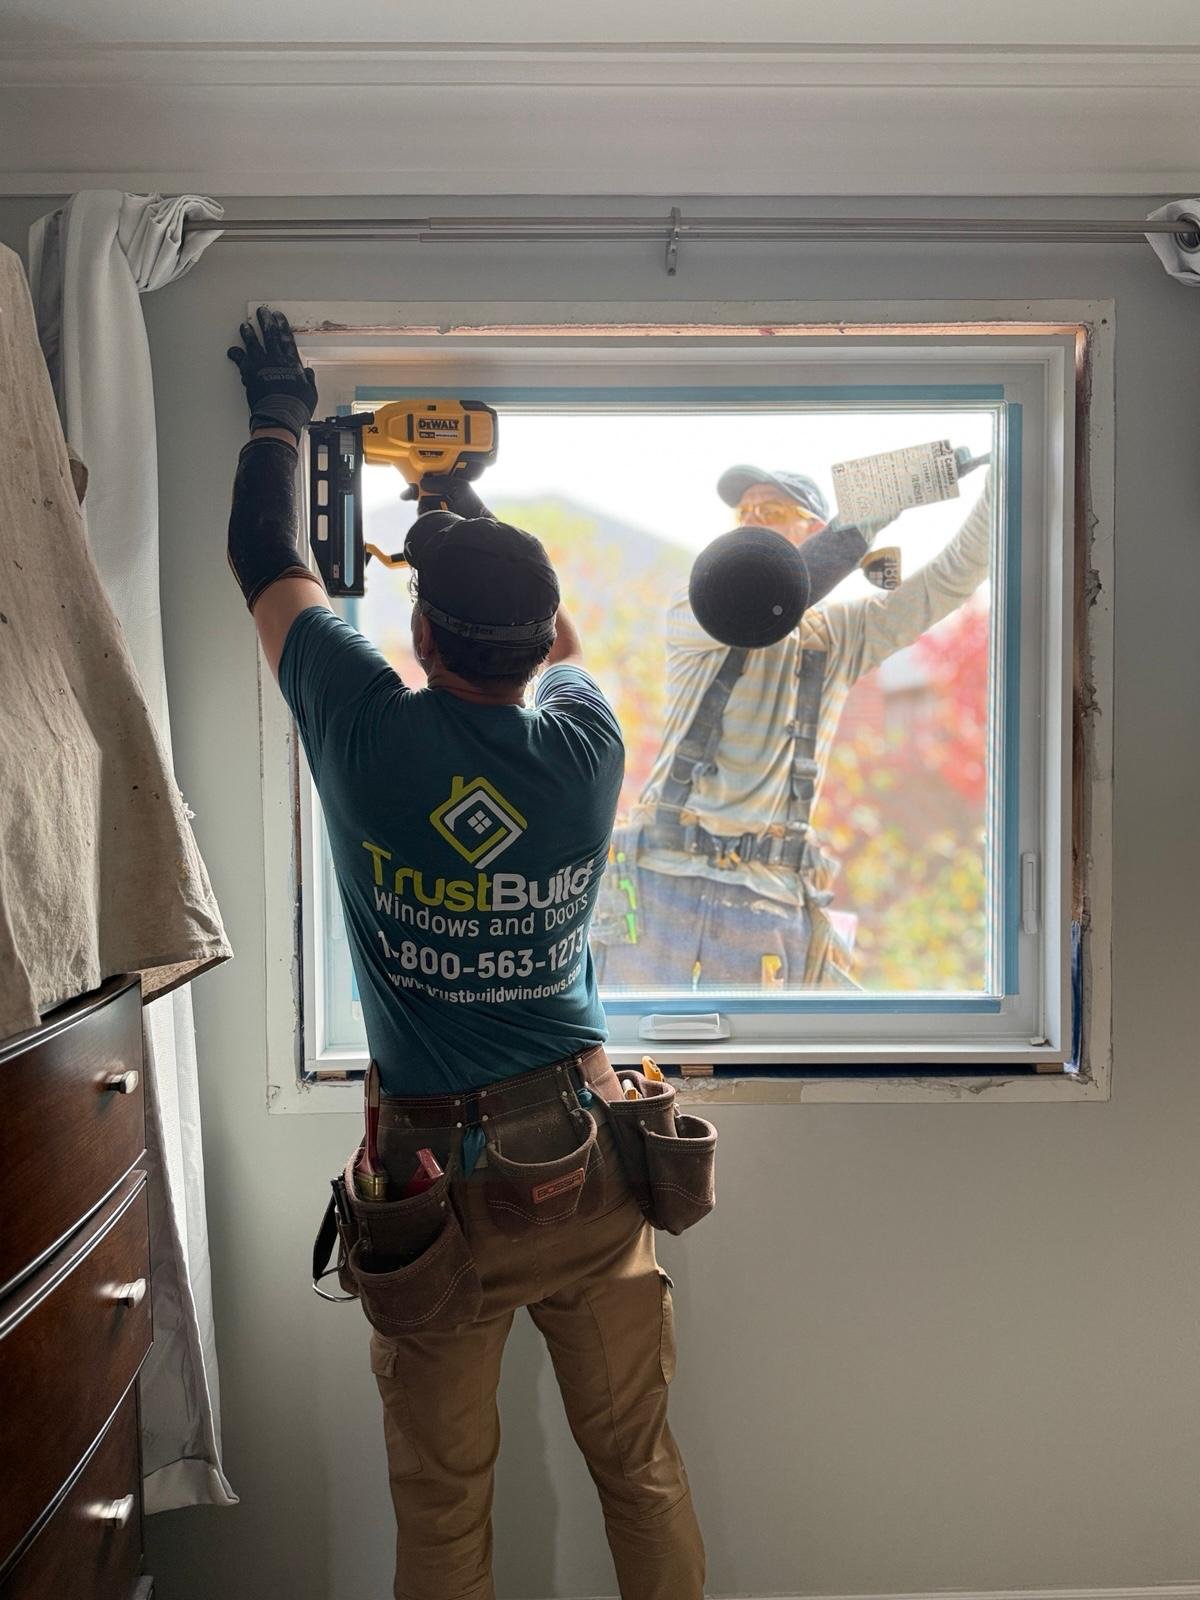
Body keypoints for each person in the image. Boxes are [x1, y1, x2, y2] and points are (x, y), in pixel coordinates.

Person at [225, 307, 704, 1600]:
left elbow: (265, 556)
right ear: (538, 642)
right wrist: (463, 525)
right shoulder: (585, 751)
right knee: (641, 1470)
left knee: (444, 1516)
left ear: (422, 643)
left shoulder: (368, 736)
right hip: (590, 1166)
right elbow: (563, 660)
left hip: (433, 1191)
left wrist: (280, 413)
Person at [598, 459, 992, 991]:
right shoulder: (697, 605)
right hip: (661, 881)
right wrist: (863, 521)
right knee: (635, 1060)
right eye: (745, 511)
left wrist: (1003, 483)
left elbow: (949, 580)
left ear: (813, 531)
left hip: (767, 901)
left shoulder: (845, 635)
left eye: (773, 509)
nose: (751, 521)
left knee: (754, 1068)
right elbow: (762, 590)